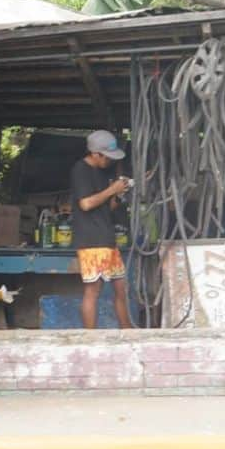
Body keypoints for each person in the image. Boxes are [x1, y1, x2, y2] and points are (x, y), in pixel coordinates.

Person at [70, 129, 133, 330]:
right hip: (91, 241)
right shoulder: (80, 170)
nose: (110, 162)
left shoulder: (102, 171)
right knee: (93, 291)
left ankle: (127, 330)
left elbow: (107, 207)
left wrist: (119, 194)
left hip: (107, 239)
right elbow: (86, 204)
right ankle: (91, 337)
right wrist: (111, 190)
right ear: (95, 154)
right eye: (108, 157)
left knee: (121, 289)